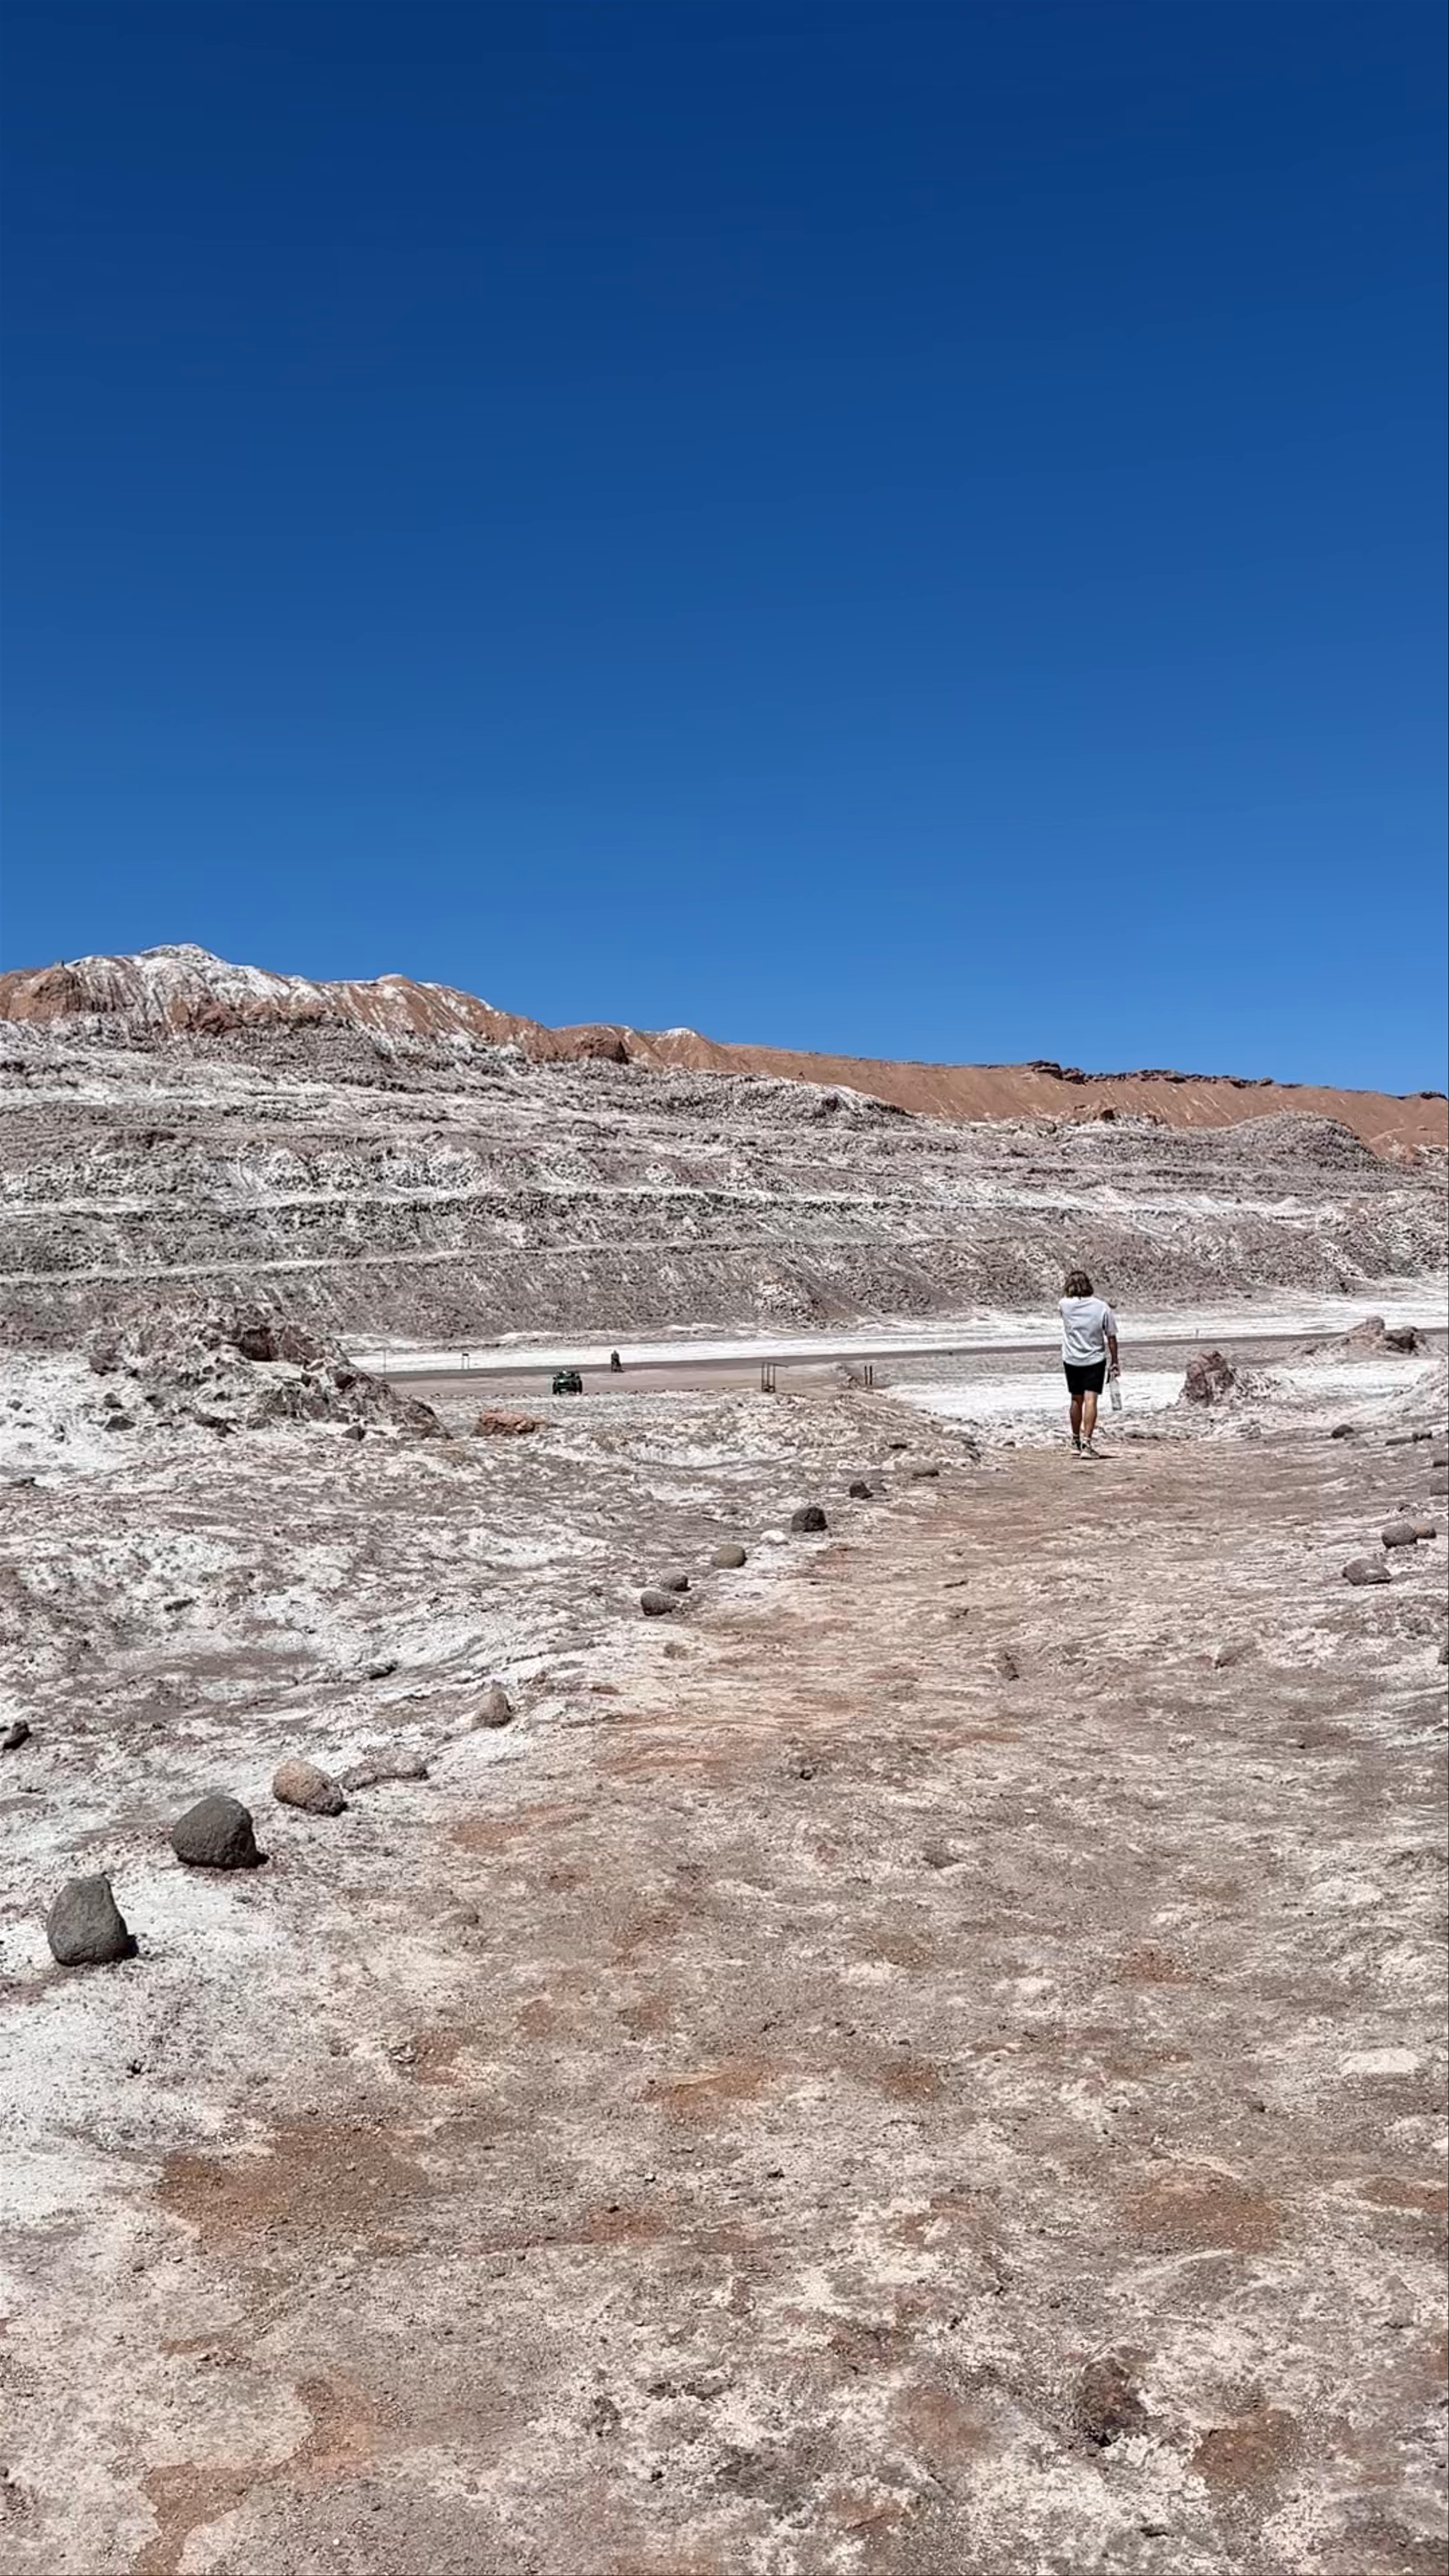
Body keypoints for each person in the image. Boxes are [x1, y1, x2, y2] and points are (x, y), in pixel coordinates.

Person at [1059, 1269, 1119, 1457]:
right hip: (1094, 1359)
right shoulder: (1102, 1307)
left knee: (1076, 1399)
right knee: (1091, 1400)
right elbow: (1111, 1337)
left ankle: (1076, 1440)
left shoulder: (1064, 1305)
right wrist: (1115, 1361)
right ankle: (1087, 1444)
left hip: (1071, 1359)